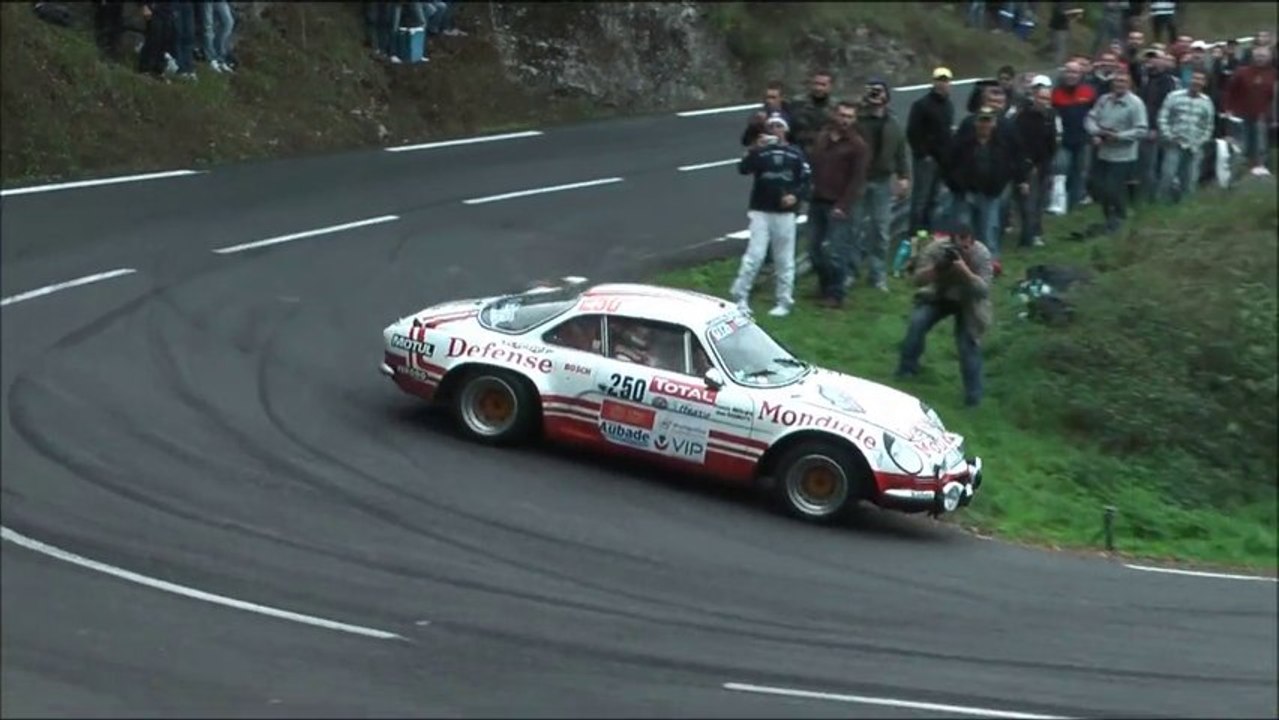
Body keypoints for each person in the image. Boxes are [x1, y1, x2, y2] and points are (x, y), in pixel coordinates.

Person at [894, 221, 994, 408]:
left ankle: (974, 396)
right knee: (918, 322)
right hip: (939, 294)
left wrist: (965, 271)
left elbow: (984, 291)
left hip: (968, 302)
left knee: (968, 345)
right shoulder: (937, 249)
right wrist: (937, 269)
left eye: (967, 246)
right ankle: (907, 369)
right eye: (959, 246)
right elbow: (916, 279)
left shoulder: (981, 254)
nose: (963, 250)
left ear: (973, 242)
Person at [729, 115, 812, 318]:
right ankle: (739, 296)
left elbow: (807, 180)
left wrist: (795, 196)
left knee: (784, 259)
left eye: (778, 126)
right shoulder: (761, 152)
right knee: (754, 256)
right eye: (771, 126)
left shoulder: (795, 154)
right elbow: (743, 169)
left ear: (785, 130)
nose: (774, 129)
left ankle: (784, 300)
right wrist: (753, 149)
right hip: (761, 211)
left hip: (785, 214)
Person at [807, 101, 871, 309]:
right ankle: (824, 285)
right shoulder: (823, 137)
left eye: (849, 117)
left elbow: (857, 179)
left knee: (836, 252)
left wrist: (843, 205)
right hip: (817, 199)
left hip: (838, 203)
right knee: (814, 249)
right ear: (835, 115)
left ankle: (836, 294)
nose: (844, 120)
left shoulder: (857, 146)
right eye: (842, 115)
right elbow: (813, 163)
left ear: (854, 120)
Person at [849, 79, 910, 292]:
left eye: (879, 92)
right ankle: (851, 271)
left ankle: (877, 275)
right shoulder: (857, 120)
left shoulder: (893, 123)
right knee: (854, 227)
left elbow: (901, 151)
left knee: (880, 230)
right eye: (872, 92)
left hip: (882, 181)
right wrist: (860, 103)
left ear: (887, 96)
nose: (875, 95)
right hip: (859, 180)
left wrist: (904, 176)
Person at [1085, 72, 1149, 233]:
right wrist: (1096, 133)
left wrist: (1119, 137)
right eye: (1117, 81)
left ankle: (1121, 218)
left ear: (1129, 84)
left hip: (1123, 156)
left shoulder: (1136, 104)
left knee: (1113, 189)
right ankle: (1108, 219)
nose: (1119, 84)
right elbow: (1091, 118)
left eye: (1123, 81)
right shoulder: (1104, 100)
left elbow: (1141, 130)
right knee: (1100, 188)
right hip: (1103, 152)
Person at [907, 67, 956, 236]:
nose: (943, 84)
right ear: (934, 82)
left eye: (946, 81)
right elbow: (912, 131)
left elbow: (948, 132)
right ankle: (914, 233)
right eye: (940, 80)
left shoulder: (949, 105)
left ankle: (927, 230)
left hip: (942, 159)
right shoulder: (921, 105)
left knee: (934, 198)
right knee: (920, 198)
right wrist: (923, 154)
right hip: (926, 160)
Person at [1157, 69, 1215, 202]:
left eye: (1200, 79)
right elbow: (1163, 117)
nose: (1197, 82)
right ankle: (1161, 204)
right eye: (1195, 78)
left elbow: (1209, 125)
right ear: (1189, 80)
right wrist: (1169, 136)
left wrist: (1201, 141)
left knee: (1190, 179)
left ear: (1205, 83)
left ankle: (1186, 207)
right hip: (1174, 143)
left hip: (1194, 146)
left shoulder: (1207, 101)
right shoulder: (1174, 96)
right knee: (1168, 175)